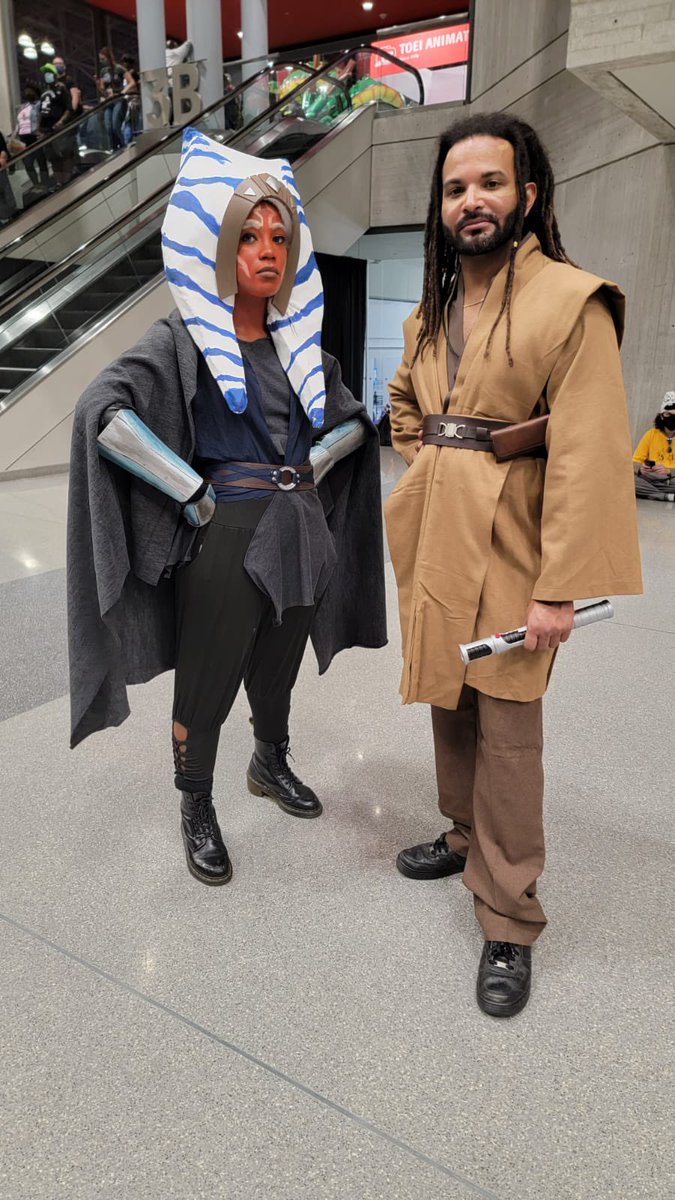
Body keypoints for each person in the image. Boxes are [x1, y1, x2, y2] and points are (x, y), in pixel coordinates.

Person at [67, 129, 386, 888]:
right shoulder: (183, 340)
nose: (267, 251)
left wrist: (315, 462)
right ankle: (196, 801)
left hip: (300, 527)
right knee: (208, 677)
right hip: (225, 529)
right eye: (249, 236)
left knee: (276, 667)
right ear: (219, 246)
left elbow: (353, 423)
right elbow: (101, 411)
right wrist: (190, 490)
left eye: (279, 237)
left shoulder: (304, 350)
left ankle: (268, 761)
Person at [385, 112, 643, 1018]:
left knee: (507, 729)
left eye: (490, 183)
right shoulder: (429, 314)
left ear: (526, 195)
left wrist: (558, 588)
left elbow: (589, 451)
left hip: (517, 545)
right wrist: (431, 470)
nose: (472, 200)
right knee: (449, 698)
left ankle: (507, 913)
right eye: (455, 188)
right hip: (438, 534)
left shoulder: (572, 301)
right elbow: (403, 404)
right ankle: (463, 837)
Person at [633, 392, 675, 501]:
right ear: (661, 416)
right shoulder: (651, 434)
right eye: (668, 414)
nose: (672, 418)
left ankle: (652, 493)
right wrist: (640, 469)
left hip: (672, 480)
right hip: (650, 478)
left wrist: (669, 471)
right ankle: (666, 496)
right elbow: (634, 463)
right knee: (626, 479)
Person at [37, 62, 72, 185]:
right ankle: (59, 182)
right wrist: (39, 128)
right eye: (45, 73)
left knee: (64, 153)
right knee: (52, 157)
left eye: (49, 73)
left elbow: (69, 108)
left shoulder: (61, 88)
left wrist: (61, 121)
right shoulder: (44, 91)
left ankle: (67, 180)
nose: (47, 75)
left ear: (55, 75)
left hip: (58, 128)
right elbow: (41, 111)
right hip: (46, 129)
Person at [95, 46, 125, 150]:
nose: (101, 61)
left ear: (108, 57)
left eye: (103, 59)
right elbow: (103, 89)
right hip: (108, 101)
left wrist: (120, 93)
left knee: (115, 124)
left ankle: (123, 145)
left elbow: (131, 82)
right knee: (108, 127)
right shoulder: (103, 71)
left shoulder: (119, 68)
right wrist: (99, 86)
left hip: (118, 100)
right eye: (100, 60)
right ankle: (114, 149)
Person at [120, 55, 141, 145]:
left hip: (132, 101)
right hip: (128, 101)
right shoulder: (127, 74)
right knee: (129, 123)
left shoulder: (132, 73)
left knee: (129, 123)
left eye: (125, 62)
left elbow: (136, 85)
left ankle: (128, 142)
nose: (124, 64)